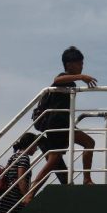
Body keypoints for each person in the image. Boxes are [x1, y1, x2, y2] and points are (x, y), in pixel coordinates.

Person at [26, 46, 97, 202]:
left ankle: (86, 179)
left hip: (65, 124)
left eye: (82, 63)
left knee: (88, 143)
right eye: (79, 63)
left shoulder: (70, 82)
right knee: (54, 161)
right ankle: (31, 192)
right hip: (56, 124)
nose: (81, 65)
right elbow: (57, 80)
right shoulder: (64, 77)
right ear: (69, 64)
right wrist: (81, 76)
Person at [0, 133, 38, 213]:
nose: (36, 149)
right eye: (35, 146)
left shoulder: (14, 156)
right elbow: (21, 179)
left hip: (6, 196)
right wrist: (26, 196)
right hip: (13, 197)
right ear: (30, 144)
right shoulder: (24, 157)